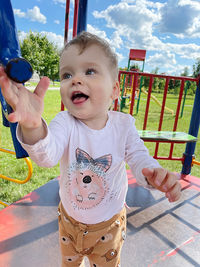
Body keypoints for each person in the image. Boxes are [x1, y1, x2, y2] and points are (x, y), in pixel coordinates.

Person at [0, 32, 181, 267]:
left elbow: (138, 156)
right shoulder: (64, 122)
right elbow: (48, 155)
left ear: (114, 90)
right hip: (69, 222)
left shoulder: (123, 126)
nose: (75, 79)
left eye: (90, 71)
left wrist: (152, 172)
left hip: (109, 225)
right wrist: (33, 126)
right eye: (67, 74)